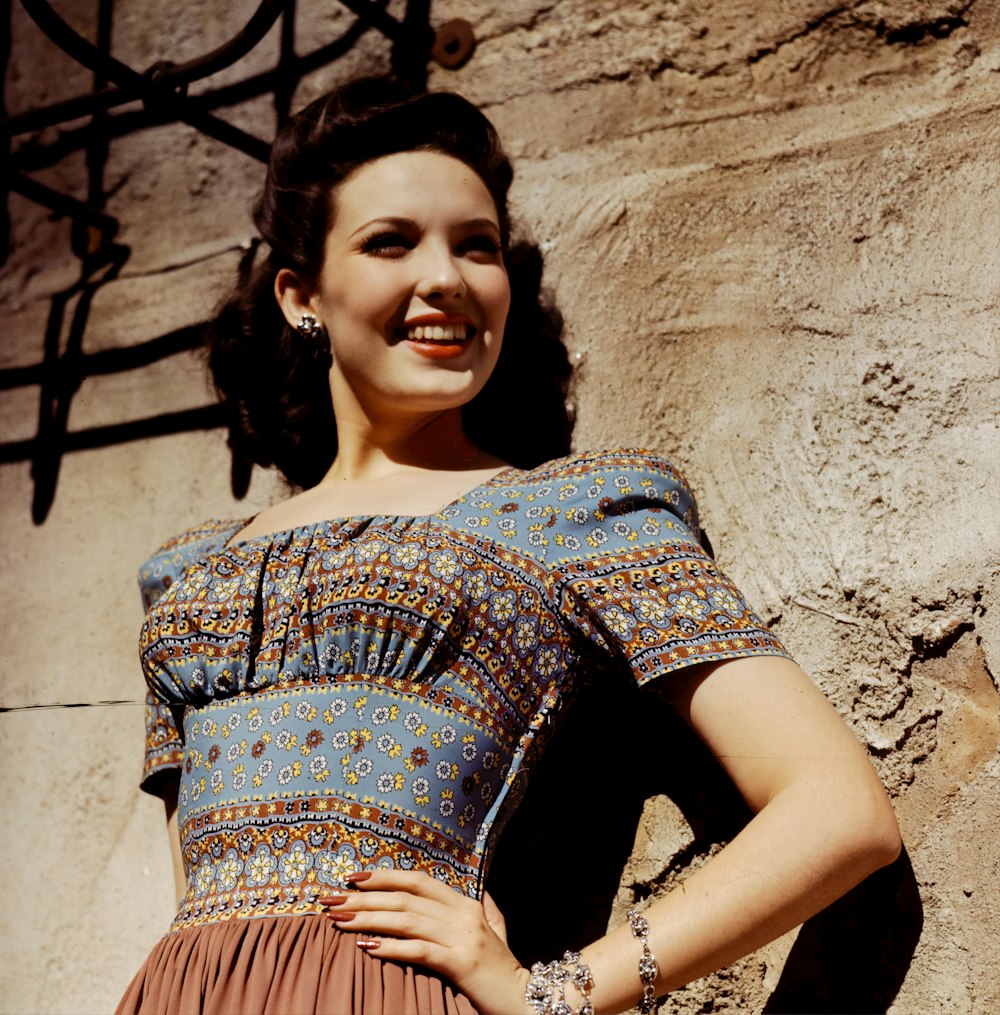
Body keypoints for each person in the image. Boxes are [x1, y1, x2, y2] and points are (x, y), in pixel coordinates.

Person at [118, 78, 901, 1015]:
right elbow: (192, 892)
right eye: (390, 241)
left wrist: (555, 994)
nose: (445, 278)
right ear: (301, 296)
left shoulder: (574, 512)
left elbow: (841, 809)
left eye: (476, 246)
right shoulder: (188, 574)